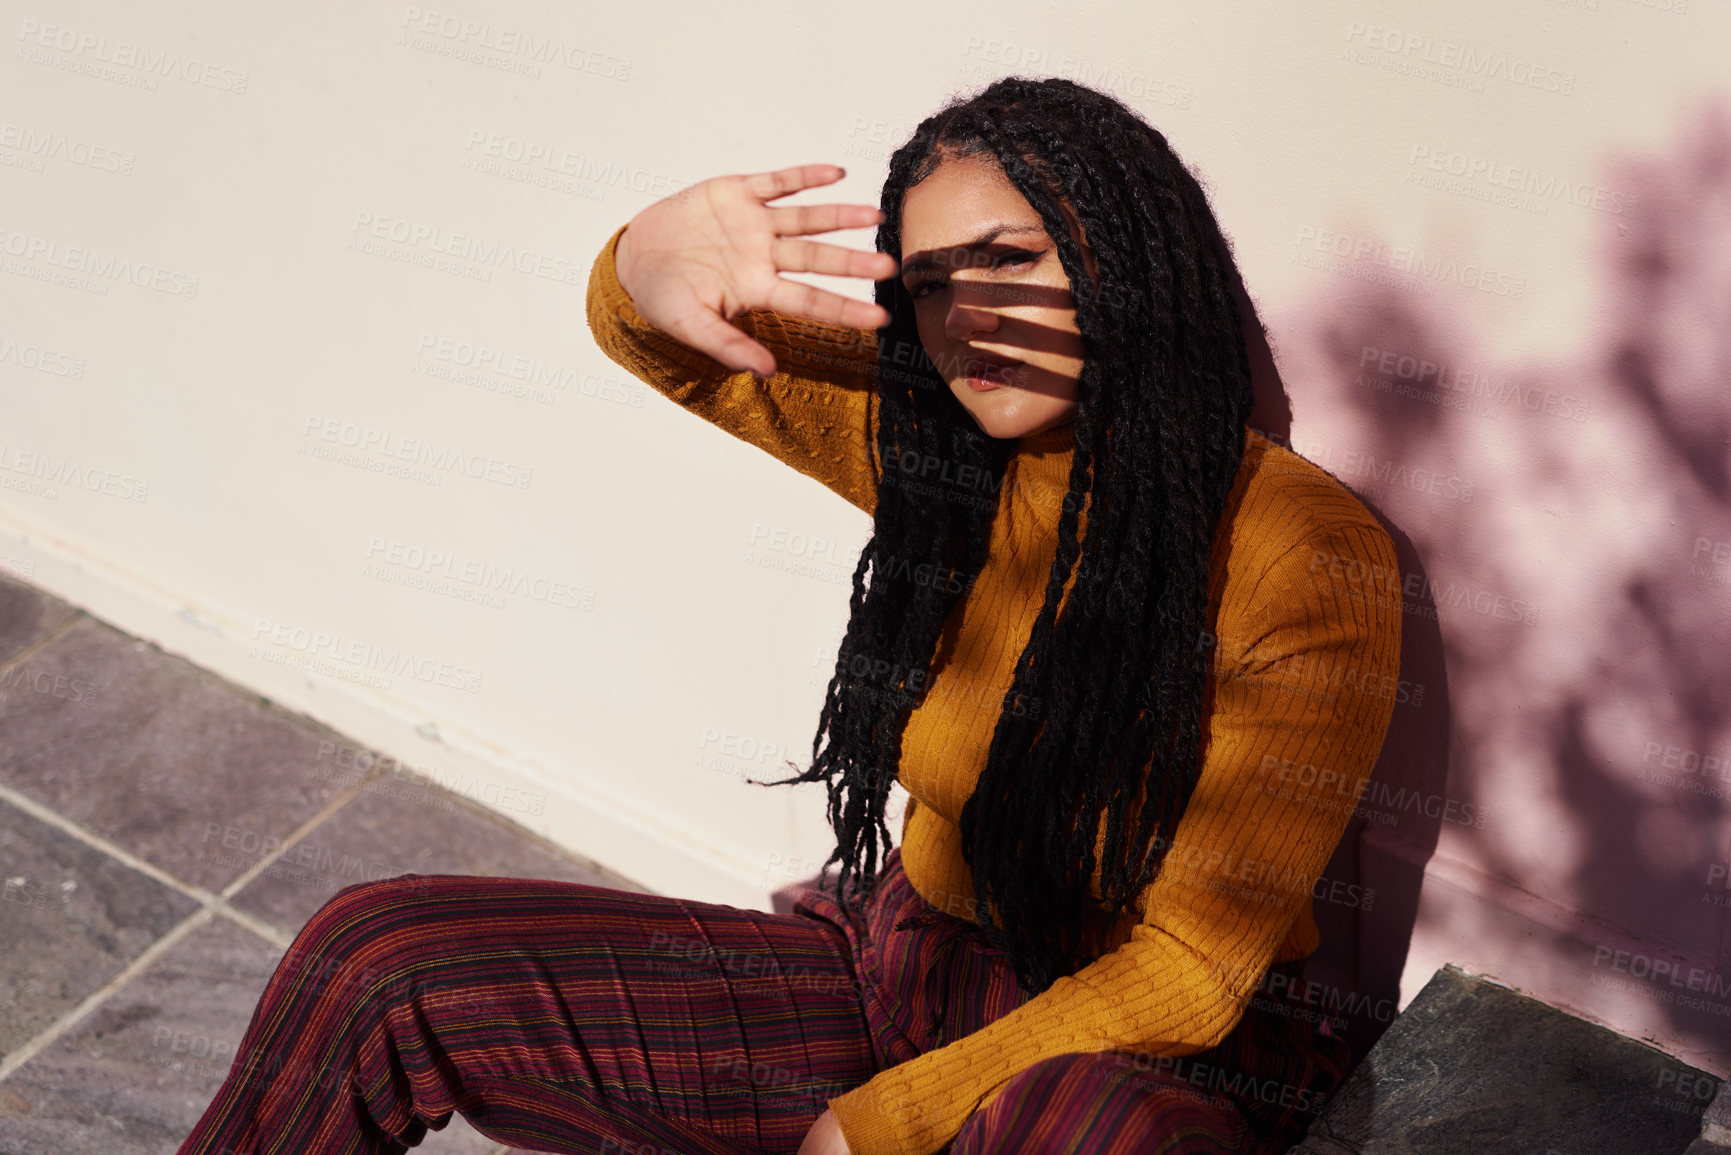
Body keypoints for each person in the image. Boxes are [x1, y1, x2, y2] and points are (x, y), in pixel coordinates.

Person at [179, 76, 1401, 1155]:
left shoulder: (1301, 557)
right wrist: (638, 265)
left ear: (1125, 254)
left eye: (1011, 260)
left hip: (1135, 1061)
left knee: (1082, 1134)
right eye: (929, 286)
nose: (965, 320)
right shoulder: (949, 454)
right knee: (382, 960)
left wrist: (879, 1126)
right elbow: (683, 347)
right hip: (905, 976)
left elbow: (1189, 973)